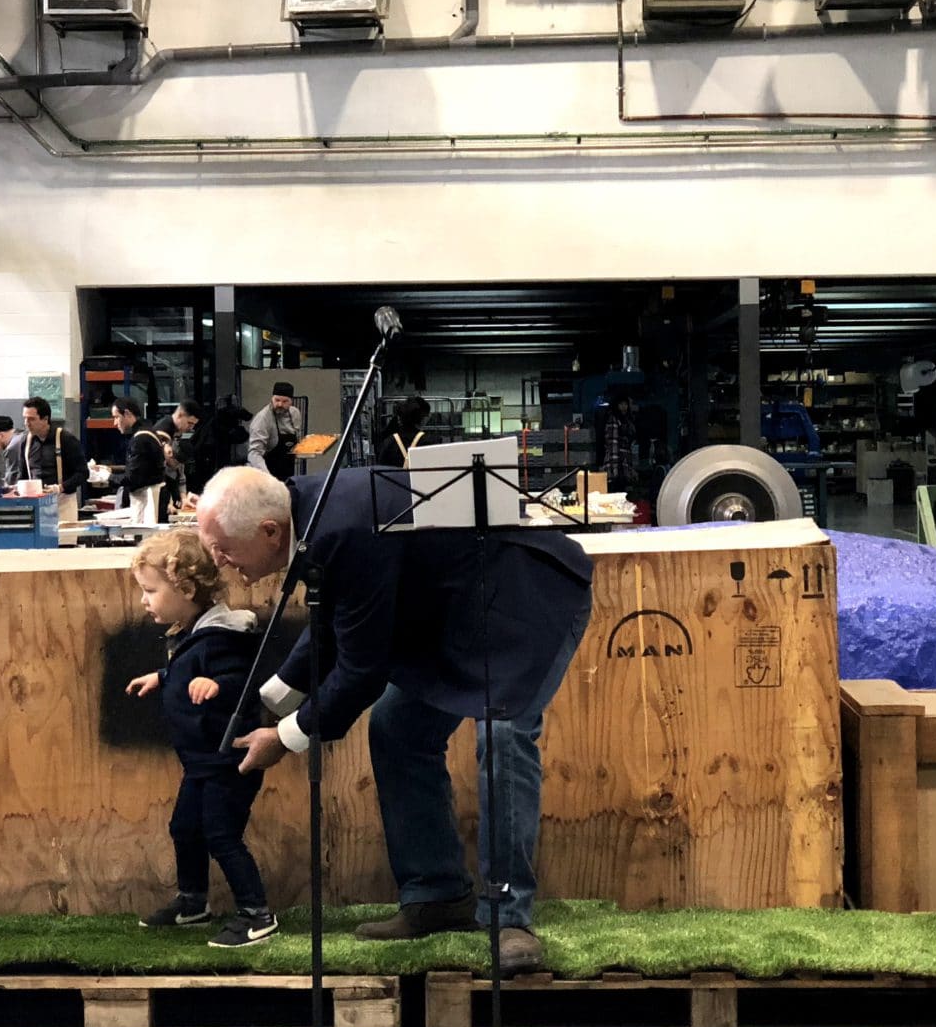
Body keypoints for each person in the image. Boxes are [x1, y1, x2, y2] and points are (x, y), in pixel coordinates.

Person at [195, 466, 594, 973]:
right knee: (396, 729)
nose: (219, 562)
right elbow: (330, 624)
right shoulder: (308, 513)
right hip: (459, 610)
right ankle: (437, 895)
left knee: (503, 733)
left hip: (525, 602)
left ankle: (507, 917)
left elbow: (361, 670)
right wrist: (266, 701)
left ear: (269, 531)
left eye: (222, 549)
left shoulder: (341, 528)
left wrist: (285, 736)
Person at [125, 529, 274, 948]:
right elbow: (190, 666)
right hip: (201, 762)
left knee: (221, 835)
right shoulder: (195, 633)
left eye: (151, 591)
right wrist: (163, 677)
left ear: (186, 590)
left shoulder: (225, 637)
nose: (144, 600)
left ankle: (256, 913)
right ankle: (193, 901)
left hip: (228, 761)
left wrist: (217, 685)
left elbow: (244, 679)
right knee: (185, 827)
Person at [14, 397, 86, 526]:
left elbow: (83, 473)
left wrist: (60, 487)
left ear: (45, 419)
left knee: (64, 538)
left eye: (31, 419)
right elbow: (22, 474)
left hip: (63, 503)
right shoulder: (25, 442)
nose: (26, 423)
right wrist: (17, 489)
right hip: (36, 505)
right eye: (25, 418)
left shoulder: (66, 439)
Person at [110, 396, 166, 515]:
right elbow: (141, 468)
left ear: (127, 413)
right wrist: (110, 470)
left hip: (148, 503)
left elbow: (133, 478)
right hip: (153, 499)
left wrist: (106, 477)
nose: (115, 423)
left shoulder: (140, 439)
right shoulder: (148, 431)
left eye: (116, 417)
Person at [246, 382, 303, 478]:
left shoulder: (295, 414)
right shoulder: (263, 419)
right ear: (272, 399)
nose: (280, 404)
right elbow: (254, 453)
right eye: (277, 400)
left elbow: (296, 440)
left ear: (291, 401)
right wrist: (267, 477)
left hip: (287, 472)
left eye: (285, 401)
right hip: (265, 472)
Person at [154, 400, 201, 504]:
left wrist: (183, 498)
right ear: (180, 415)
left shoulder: (176, 431)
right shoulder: (163, 429)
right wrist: (168, 503)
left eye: (194, 425)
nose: (191, 428)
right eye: (189, 423)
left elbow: (180, 472)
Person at [375, 396, 433, 468]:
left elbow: (381, 468)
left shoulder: (389, 442)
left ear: (400, 418)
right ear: (424, 419)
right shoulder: (430, 443)